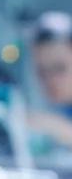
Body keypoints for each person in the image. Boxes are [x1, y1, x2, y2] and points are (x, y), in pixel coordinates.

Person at [27, 11, 72, 150]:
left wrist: (56, 127)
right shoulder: (59, 108)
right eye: (41, 71)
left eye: (59, 68)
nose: (50, 80)